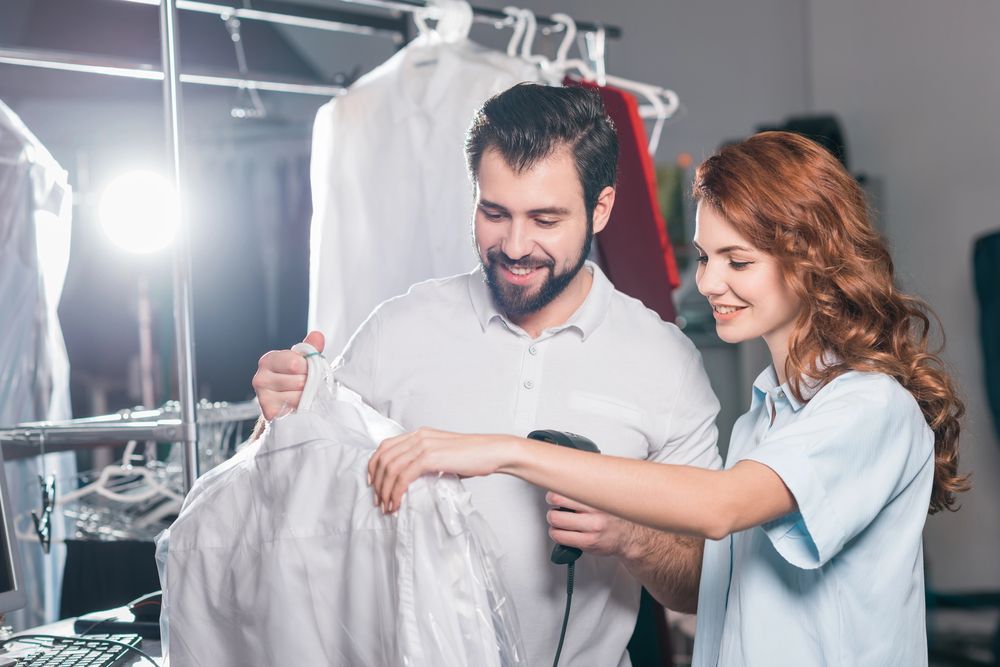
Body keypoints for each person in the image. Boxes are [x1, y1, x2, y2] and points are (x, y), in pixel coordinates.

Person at [368, 131, 969, 666]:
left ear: (814, 262)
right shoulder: (763, 418)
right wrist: (625, 534)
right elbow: (719, 596)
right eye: (705, 257)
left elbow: (721, 507)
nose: (707, 282)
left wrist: (505, 451)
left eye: (738, 261)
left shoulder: (870, 406)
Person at [253, 83, 722, 666]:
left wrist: (628, 536)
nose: (516, 246)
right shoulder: (397, 329)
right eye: (494, 213)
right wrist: (278, 418)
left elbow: (702, 584)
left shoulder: (666, 361)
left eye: (545, 219)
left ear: (600, 208)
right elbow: (297, 502)